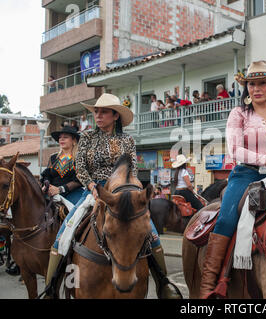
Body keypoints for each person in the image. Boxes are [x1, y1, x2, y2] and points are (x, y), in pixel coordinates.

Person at [44, 93, 180, 299]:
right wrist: (91, 186)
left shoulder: (127, 140)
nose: (98, 115)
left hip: (124, 194)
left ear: (115, 116)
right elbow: (80, 168)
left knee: (151, 234)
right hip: (94, 191)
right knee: (63, 235)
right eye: (96, 111)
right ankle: (51, 288)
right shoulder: (87, 137)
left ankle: (164, 284)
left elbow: (132, 170)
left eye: (104, 112)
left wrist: (130, 192)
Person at [199, 61, 266, 298]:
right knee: (227, 218)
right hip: (246, 174)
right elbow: (235, 150)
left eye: (263, 83)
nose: (256, 88)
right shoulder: (239, 113)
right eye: (252, 84)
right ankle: (208, 286)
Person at [40, 126, 84, 205]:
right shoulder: (53, 157)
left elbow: (80, 180)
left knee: (78, 212)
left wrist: (60, 189)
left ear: (74, 140)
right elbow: (47, 175)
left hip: (73, 193)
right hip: (52, 192)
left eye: (65, 137)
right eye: (60, 137)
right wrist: (46, 185)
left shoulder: (80, 158)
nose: (61, 139)